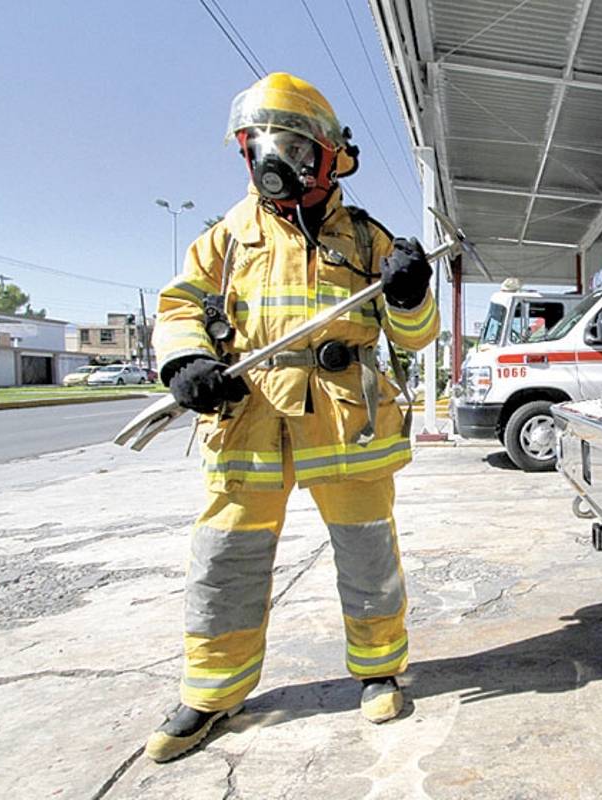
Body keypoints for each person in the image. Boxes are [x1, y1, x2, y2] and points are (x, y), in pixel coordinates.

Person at [144, 72, 439, 762]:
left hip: (346, 426)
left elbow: (417, 336)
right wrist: (185, 362)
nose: (275, 163)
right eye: (260, 147)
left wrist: (411, 291)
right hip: (245, 423)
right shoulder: (223, 239)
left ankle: (379, 669)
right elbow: (179, 308)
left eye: (295, 149)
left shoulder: (370, 240)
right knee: (226, 559)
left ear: (330, 156)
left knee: (369, 556)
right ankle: (212, 692)